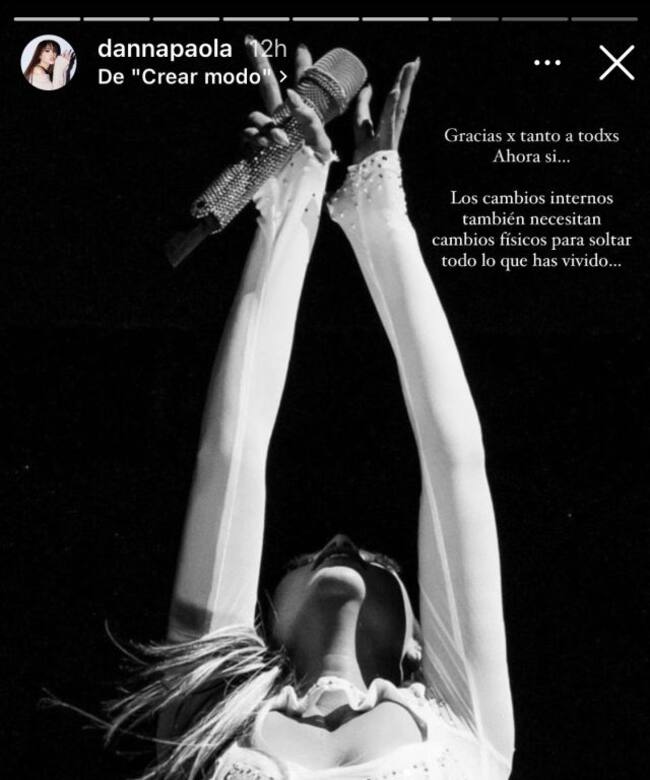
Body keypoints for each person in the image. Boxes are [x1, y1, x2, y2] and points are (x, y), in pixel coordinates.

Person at [107, 40, 515, 780]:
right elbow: (456, 463)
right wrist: (382, 213)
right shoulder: (469, 735)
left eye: (302, 556)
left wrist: (289, 202)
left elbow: (230, 458)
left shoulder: (202, 716)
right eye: (380, 559)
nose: (339, 541)